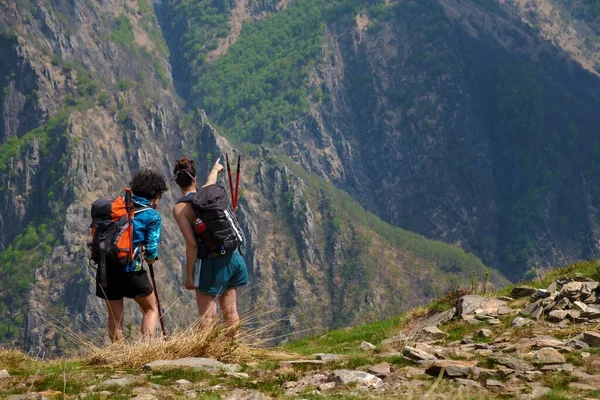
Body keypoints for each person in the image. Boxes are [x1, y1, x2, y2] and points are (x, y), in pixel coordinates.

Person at [172, 157, 248, 331]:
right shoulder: (208, 192)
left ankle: (205, 357)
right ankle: (233, 352)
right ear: (194, 178)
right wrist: (216, 168)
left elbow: (192, 245)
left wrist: (190, 276)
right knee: (231, 313)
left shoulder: (180, 209)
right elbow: (211, 180)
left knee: (207, 317)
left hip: (213, 265)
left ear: (176, 181)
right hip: (233, 256)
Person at [95, 169, 168, 341]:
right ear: (156, 195)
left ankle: (118, 355)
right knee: (151, 309)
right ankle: (147, 350)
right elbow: (151, 253)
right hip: (132, 270)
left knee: (115, 316)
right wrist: (149, 257)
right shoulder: (151, 216)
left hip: (106, 269)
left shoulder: (117, 207)